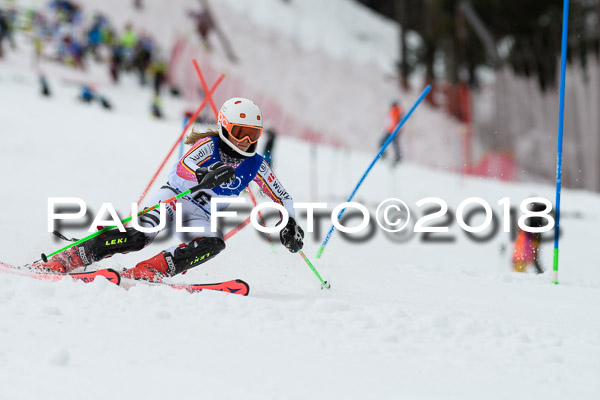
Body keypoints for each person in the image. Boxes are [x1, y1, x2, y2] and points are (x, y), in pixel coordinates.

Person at [33, 98, 305, 281]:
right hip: (174, 198)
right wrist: (204, 174)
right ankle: (71, 256)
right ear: (224, 127)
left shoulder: (256, 165)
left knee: (214, 243)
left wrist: (290, 221)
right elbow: (185, 167)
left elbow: (282, 195)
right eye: (239, 132)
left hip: (199, 214)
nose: (245, 141)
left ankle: (151, 270)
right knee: (140, 236)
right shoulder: (210, 146)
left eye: (253, 135)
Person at [512, 202, 545, 274]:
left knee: (534, 257)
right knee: (534, 258)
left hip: (534, 239)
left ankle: (540, 273)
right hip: (532, 238)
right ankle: (540, 273)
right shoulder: (533, 215)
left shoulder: (537, 214)